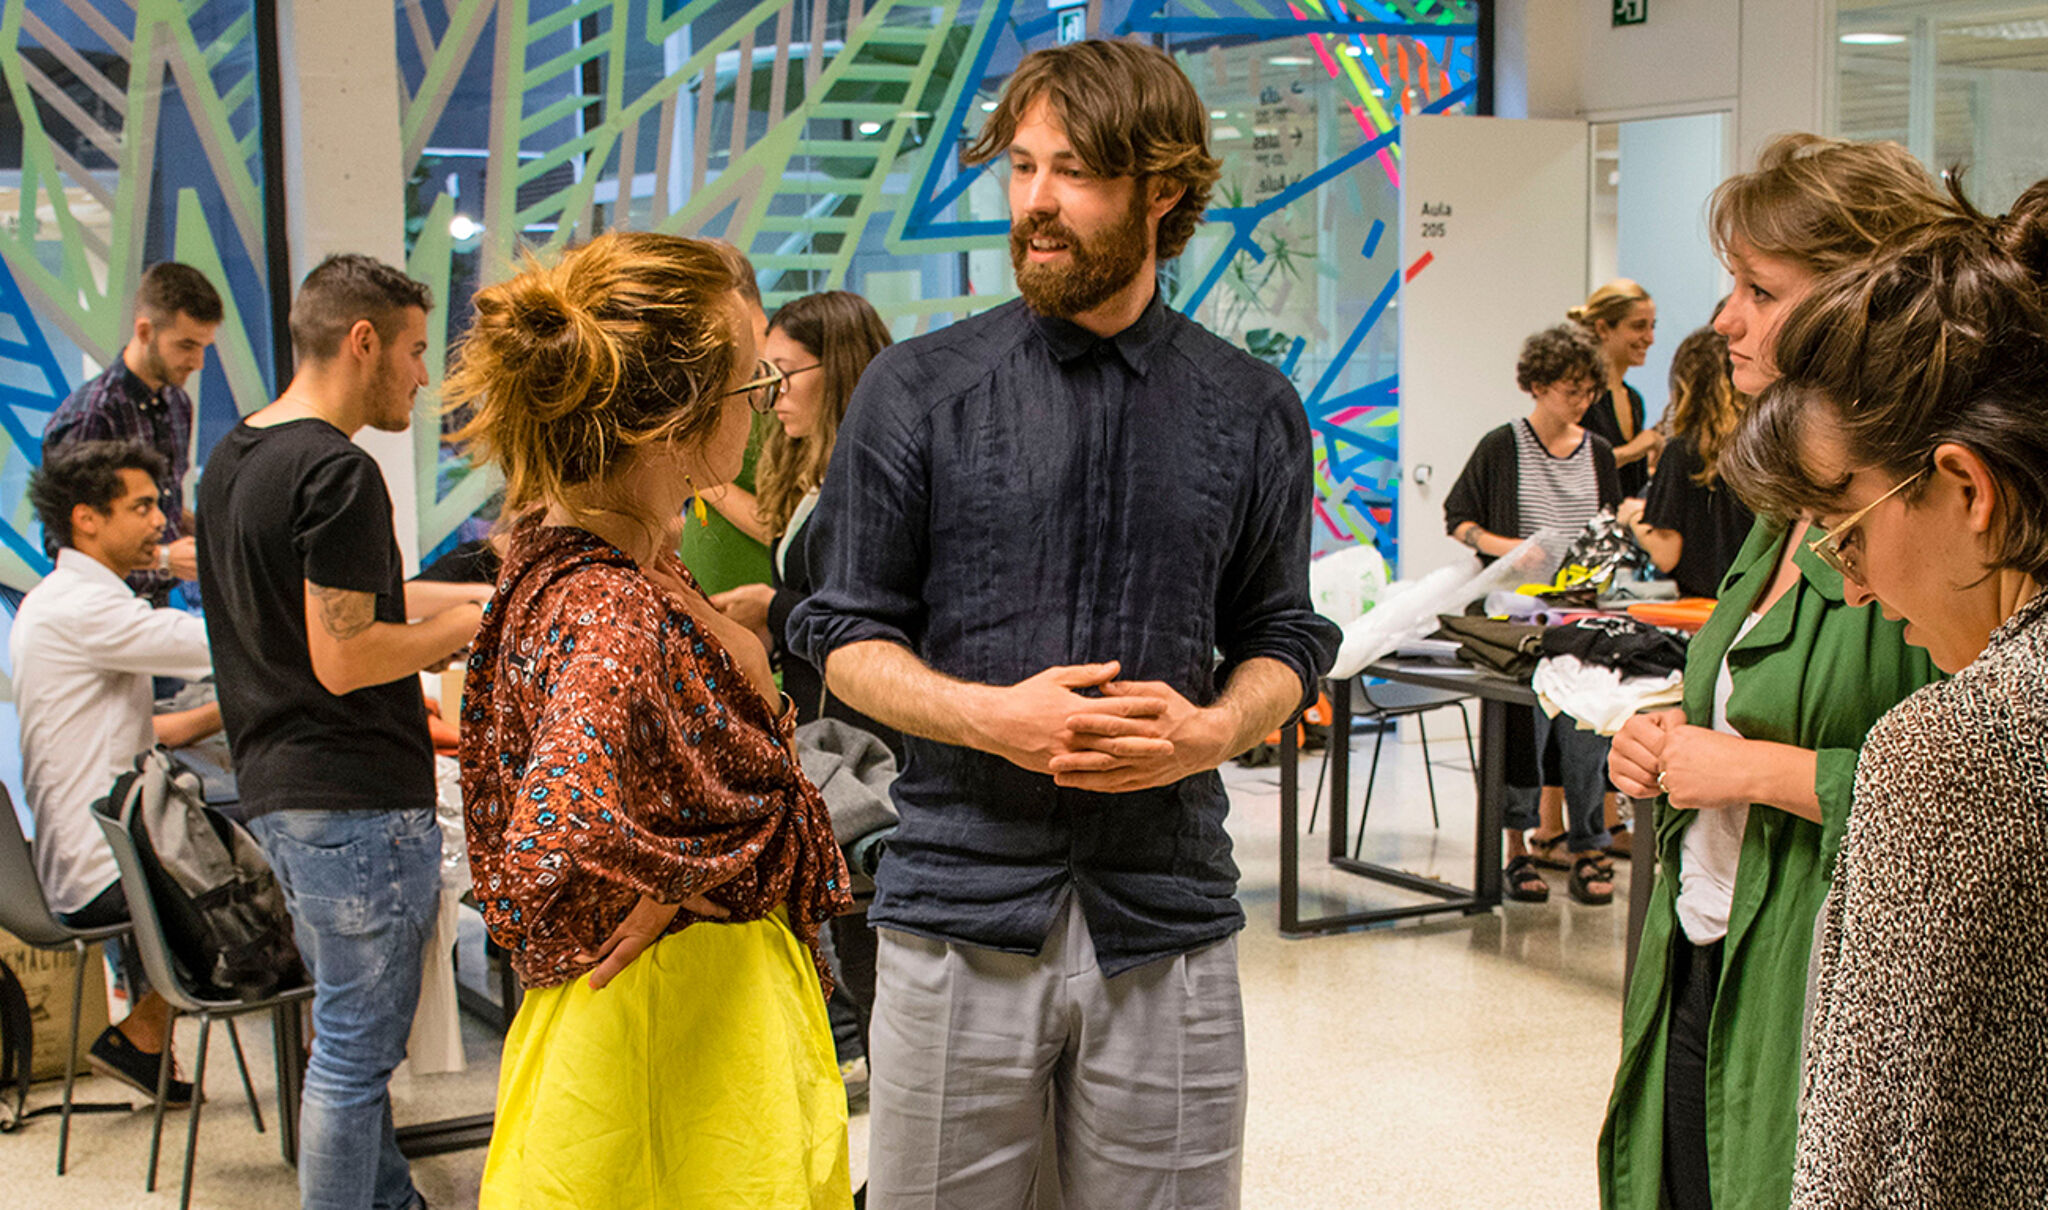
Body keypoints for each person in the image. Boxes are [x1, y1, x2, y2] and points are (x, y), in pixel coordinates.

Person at [787, 39, 1339, 1209]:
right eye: (1021, 167)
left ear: (1166, 194)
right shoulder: (919, 389)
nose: (1034, 201)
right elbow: (840, 634)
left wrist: (1207, 732)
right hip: (953, 907)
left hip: (1168, 911)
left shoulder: (1247, 409)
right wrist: (988, 717)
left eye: (1074, 172)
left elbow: (1284, 637)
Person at [447, 230, 854, 1209]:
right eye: (751, 393)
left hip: (678, 1024)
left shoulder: (606, 554)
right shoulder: (609, 600)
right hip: (671, 1037)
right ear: (672, 421)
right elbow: (558, 823)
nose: (762, 418)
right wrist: (688, 868)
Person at [1597, 134, 1951, 1210]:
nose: (1723, 321)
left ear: (1857, 304)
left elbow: (1980, 787)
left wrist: (1747, 773)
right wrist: (1663, 735)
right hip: (1707, 957)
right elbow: (1743, 696)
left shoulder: (1923, 519)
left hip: (1829, 999)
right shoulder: (1782, 502)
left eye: (1758, 288)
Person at [1716, 179, 2048, 1209]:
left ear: (1967, 487)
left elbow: (1873, 1169)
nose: (1850, 581)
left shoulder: (1964, 742)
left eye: (1848, 526)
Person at [196, 254, 488, 1210]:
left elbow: (346, 597)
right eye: (411, 351)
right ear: (362, 340)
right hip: (356, 800)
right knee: (356, 1062)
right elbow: (350, 653)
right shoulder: (338, 467)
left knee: (345, 1042)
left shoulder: (239, 456)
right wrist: (484, 621)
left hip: (283, 790)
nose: (419, 376)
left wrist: (485, 588)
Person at [11, 440, 223, 1105]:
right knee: (273, 887)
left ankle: (145, 1036)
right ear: (86, 519)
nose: (160, 520)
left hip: (88, 854)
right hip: (102, 869)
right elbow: (206, 643)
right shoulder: (83, 607)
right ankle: (322, 1075)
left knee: (242, 853)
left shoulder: (62, 599)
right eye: (142, 506)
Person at [1443, 323, 1622, 906]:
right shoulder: (1503, 445)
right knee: (1523, 732)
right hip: (1514, 615)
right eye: (1570, 390)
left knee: (1588, 728)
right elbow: (1458, 519)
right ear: (1538, 386)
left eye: (1588, 391)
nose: (1580, 401)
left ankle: (1587, 838)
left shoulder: (1597, 452)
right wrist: (1508, 549)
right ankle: (1515, 846)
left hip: (1581, 612)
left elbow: (1609, 525)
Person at [708, 290, 899, 751]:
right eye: (769, 375)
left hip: (865, 735)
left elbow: (872, 623)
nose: (775, 394)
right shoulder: (815, 476)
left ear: (840, 369)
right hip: (823, 718)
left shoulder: (877, 480)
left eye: (787, 373)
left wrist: (771, 606)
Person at [42, 262, 221, 605]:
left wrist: (198, 528)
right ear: (144, 332)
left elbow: (156, 503)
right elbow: (62, 543)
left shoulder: (177, 403)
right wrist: (165, 559)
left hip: (155, 604)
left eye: (203, 347)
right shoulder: (91, 416)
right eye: (186, 345)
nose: (198, 362)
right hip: (101, 607)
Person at [1619, 324, 1755, 598]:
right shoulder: (1755, 451)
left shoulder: (1682, 452)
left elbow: (1666, 554)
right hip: (1749, 601)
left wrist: (1633, 516)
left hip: (1698, 607)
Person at [679, 248, 778, 596]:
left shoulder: (779, 390)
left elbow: (789, 527)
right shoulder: (722, 383)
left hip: (754, 597)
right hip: (705, 581)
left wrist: (695, 473)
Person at [1569, 278, 1663, 499]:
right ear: (1603, 328)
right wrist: (1634, 450)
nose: (1650, 339)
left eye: (1652, 326)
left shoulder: (1634, 399)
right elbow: (1567, 468)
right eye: (1639, 326)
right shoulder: (1579, 396)